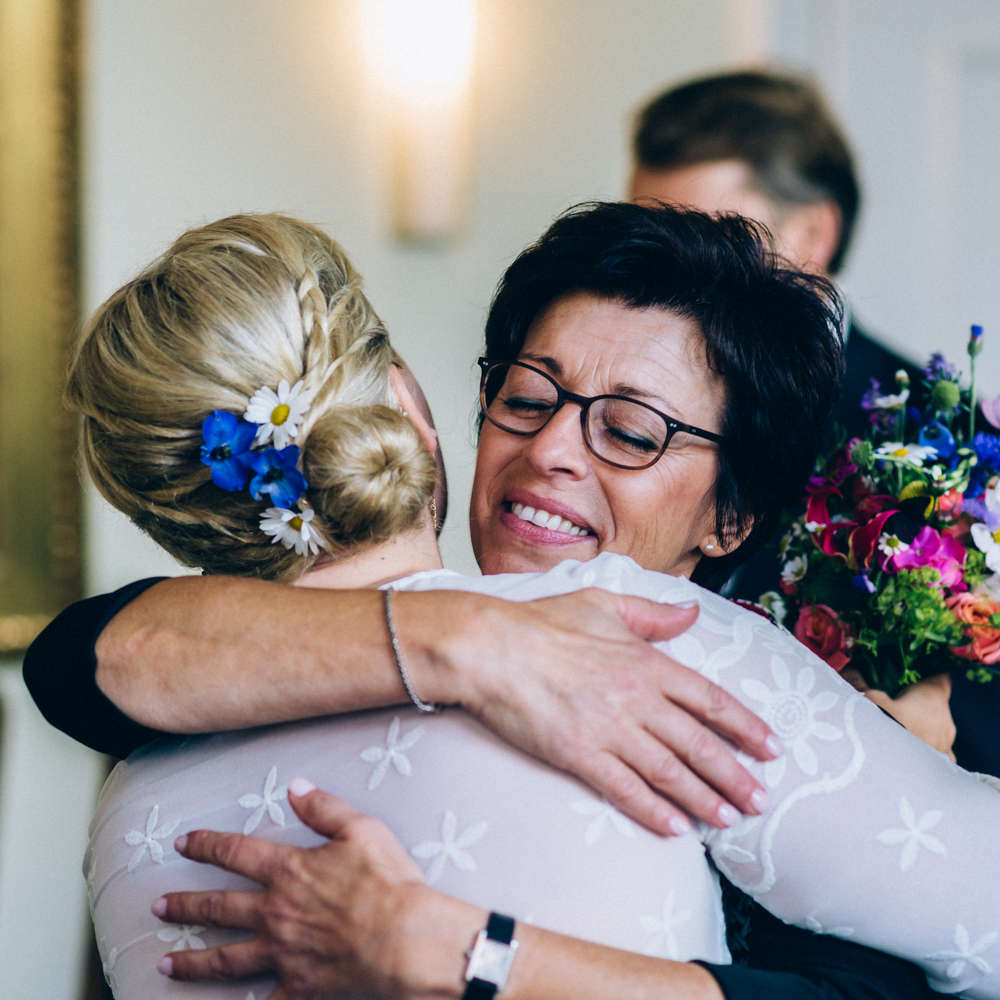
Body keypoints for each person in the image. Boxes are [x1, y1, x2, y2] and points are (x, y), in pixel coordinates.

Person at [64, 206, 998, 999]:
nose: (552, 448)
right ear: (420, 407)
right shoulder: (630, 635)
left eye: (631, 431)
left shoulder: (129, 797)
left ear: (734, 519)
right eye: (525, 396)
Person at [628, 68, 999, 772]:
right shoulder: (617, 406)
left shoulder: (942, 440)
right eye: (646, 233)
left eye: (701, 236)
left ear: (812, 234)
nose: (662, 272)